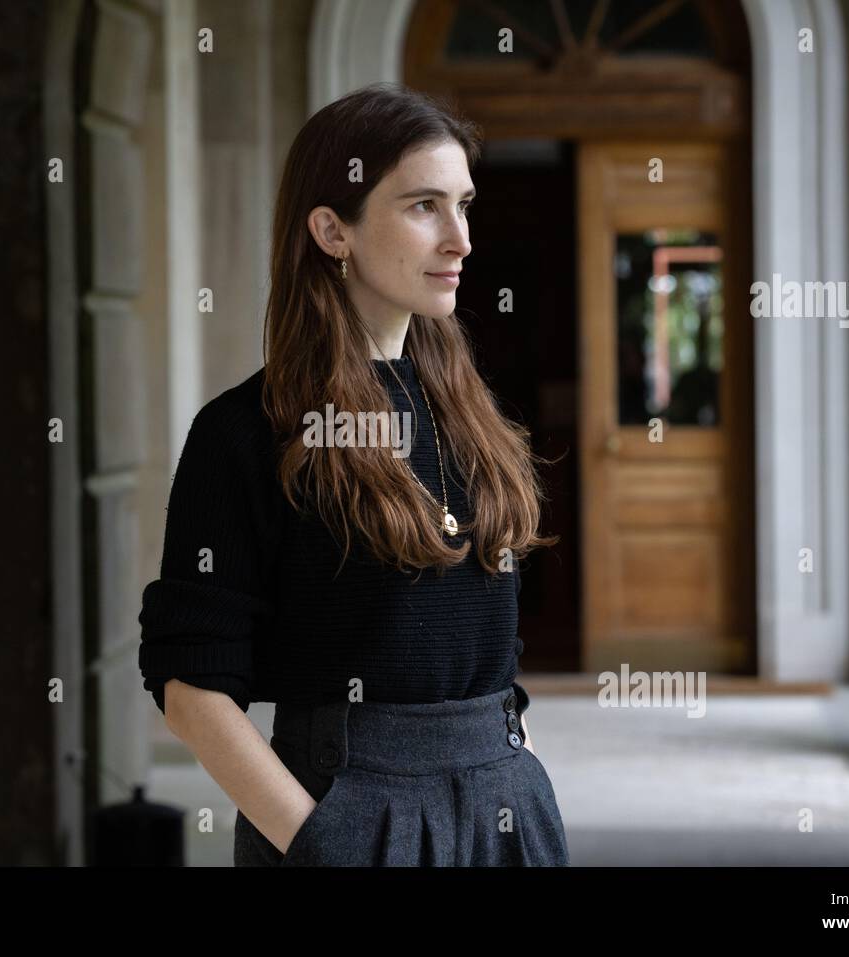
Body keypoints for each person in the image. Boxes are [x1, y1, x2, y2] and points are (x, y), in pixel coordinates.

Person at [138, 82, 569, 867]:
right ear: (333, 230)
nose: (461, 240)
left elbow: (491, 662)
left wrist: (524, 784)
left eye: (463, 205)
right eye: (424, 206)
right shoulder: (245, 434)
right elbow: (191, 687)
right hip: (353, 815)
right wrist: (324, 843)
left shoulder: (471, 416)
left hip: (505, 806)